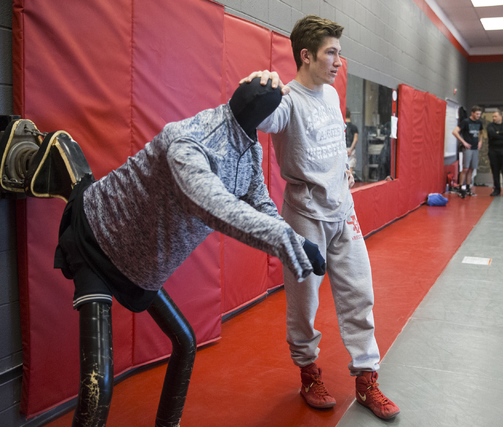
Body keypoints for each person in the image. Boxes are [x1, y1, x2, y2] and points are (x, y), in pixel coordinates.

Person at [52, 78, 326, 426]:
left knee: (184, 342)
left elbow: (258, 200)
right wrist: (289, 242)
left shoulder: (248, 144)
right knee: (99, 386)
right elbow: (213, 204)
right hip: (98, 238)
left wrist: (292, 239)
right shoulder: (188, 141)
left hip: (139, 269)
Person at [241, 15, 400, 420]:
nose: (338, 62)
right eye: (331, 53)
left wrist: (342, 167)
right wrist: (257, 86)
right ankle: (309, 373)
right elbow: (256, 116)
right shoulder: (285, 102)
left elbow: (330, 141)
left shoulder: (330, 95)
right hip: (304, 217)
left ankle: (366, 380)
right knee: (304, 303)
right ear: (306, 55)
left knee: (360, 293)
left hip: (342, 209)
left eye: (340, 54)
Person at [453, 105, 483, 198]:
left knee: (471, 169)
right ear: (472, 113)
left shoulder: (479, 122)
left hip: (475, 148)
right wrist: (463, 142)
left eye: (479, 114)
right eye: (477, 114)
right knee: (465, 168)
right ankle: (461, 187)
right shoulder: (466, 122)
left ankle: (468, 188)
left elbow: (481, 132)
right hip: (468, 148)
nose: (478, 116)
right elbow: (455, 131)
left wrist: (480, 141)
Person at [345, 108, 359, 175]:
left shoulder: (343, 127)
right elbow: (355, 139)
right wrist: (350, 149)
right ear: (350, 116)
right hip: (351, 148)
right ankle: (350, 183)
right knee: (350, 167)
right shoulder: (354, 127)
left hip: (343, 148)